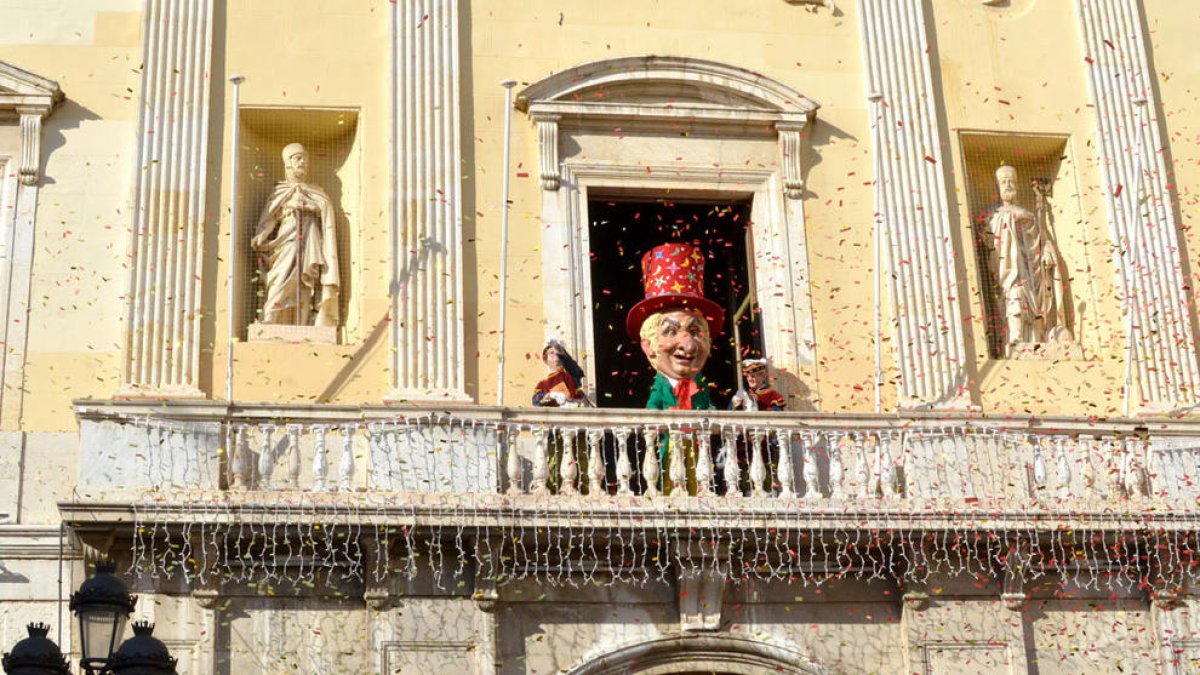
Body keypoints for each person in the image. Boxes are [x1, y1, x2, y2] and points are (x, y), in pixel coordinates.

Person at [626, 243, 724, 494]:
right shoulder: (660, 385)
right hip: (670, 444)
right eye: (671, 331)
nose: (688, 345)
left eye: (695, 332)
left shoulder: (698, 384)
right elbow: (653, 406)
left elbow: (706, 404)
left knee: (698, 472)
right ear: (648, 346)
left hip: (696, 445)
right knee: (669, 472)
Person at [252, 143, 340, 327]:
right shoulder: (280, 192)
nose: (303, 162)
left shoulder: (316, 192)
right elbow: (270, 218)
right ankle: (270, 317)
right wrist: (262, 234)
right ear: (288, 163)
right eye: (298, 158)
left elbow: (325, 211)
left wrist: (309, 206)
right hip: (287, 241)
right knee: (280, 277)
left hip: (310, 240)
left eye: (305, 159)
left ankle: (305, 323)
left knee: (305, 283)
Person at [988, 163, 1073, 352]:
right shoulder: (995, 215)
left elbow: (1040, 239)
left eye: (1012, 181)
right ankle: (1016, 338)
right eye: (1004, 182)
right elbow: (990, 238)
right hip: (1010, 270)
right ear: (998, 187)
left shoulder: (1027, 214)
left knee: (1033, 304)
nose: (1008, 185)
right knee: (1015, 296)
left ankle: (1037, 340)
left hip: (1028, 270)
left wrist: (1046, 249)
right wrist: (1010, 218)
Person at [532, 339, 589, 407]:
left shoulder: (572, 376)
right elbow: (536, 401)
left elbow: (584, 401)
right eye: (551, 352)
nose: (556, 355)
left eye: (558, 353)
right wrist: (550, 395)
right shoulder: (543, 384)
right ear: (545, 358)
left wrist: (578, 403)